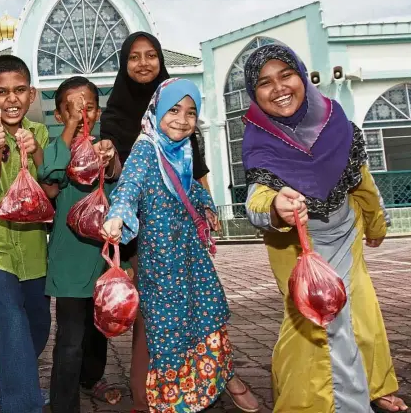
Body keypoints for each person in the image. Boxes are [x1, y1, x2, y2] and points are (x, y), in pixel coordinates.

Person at [241, 44, 407, 413]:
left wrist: (376, 222)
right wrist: (274, 207)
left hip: (346, 235)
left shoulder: (335, 120)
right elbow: (255, 197)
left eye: (286, 75)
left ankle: (374, 385)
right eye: (265, 82)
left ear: (302, 75)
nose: (279, 88)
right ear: (255, 93)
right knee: (314, 324)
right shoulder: (259, 137)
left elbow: (362, 180)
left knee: (361, 313)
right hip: (299, 246)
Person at [102, 78, 259, 413]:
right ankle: (174, 401)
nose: (182, 119)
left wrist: (205, 204)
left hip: (189, 252)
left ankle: (218, 376)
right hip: (161, 260)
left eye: (191, 112)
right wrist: (118, 214)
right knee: (169, 327)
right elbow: (129, 184)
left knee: (208, 312)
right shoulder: (146, 149)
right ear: (156, 110)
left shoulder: (183, 150)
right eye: (173, 109)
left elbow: (189, 186)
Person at [98, 31, 213, 411]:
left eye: (151, 55)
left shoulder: (177, 110)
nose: (144, 62)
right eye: (134, 56)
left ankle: (192, 385)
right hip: (143, 237)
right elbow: (125, 181)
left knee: (193, 310)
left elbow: (194, 175)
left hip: (184, 239)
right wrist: (117, 215)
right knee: (155, 321)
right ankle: (148, 397)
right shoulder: (124, 122)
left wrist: (207, 211)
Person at [38, 76, 128, 413]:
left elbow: (120, 182)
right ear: (60, 115)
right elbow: (50, 174)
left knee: (99, 329)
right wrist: (73, 127)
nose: (82, 111)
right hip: (70, 258)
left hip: (102, 255)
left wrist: (111, 156)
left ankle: (92, 378)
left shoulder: (104, 147)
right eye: (72, 108)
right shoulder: (56, 146)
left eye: (88, 105)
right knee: (71, 338)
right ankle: (64, 404)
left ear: (99, 110)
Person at [0, 55, 51, 413]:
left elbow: (48, 189)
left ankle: (19, 378)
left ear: (31, 94)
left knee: (38, 325)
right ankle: (22, 403)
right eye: (1, 92)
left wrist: (35, 156)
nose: (12, 99)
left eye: (20, 90)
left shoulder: (38, 133)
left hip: (35, 251)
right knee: (11, 325)